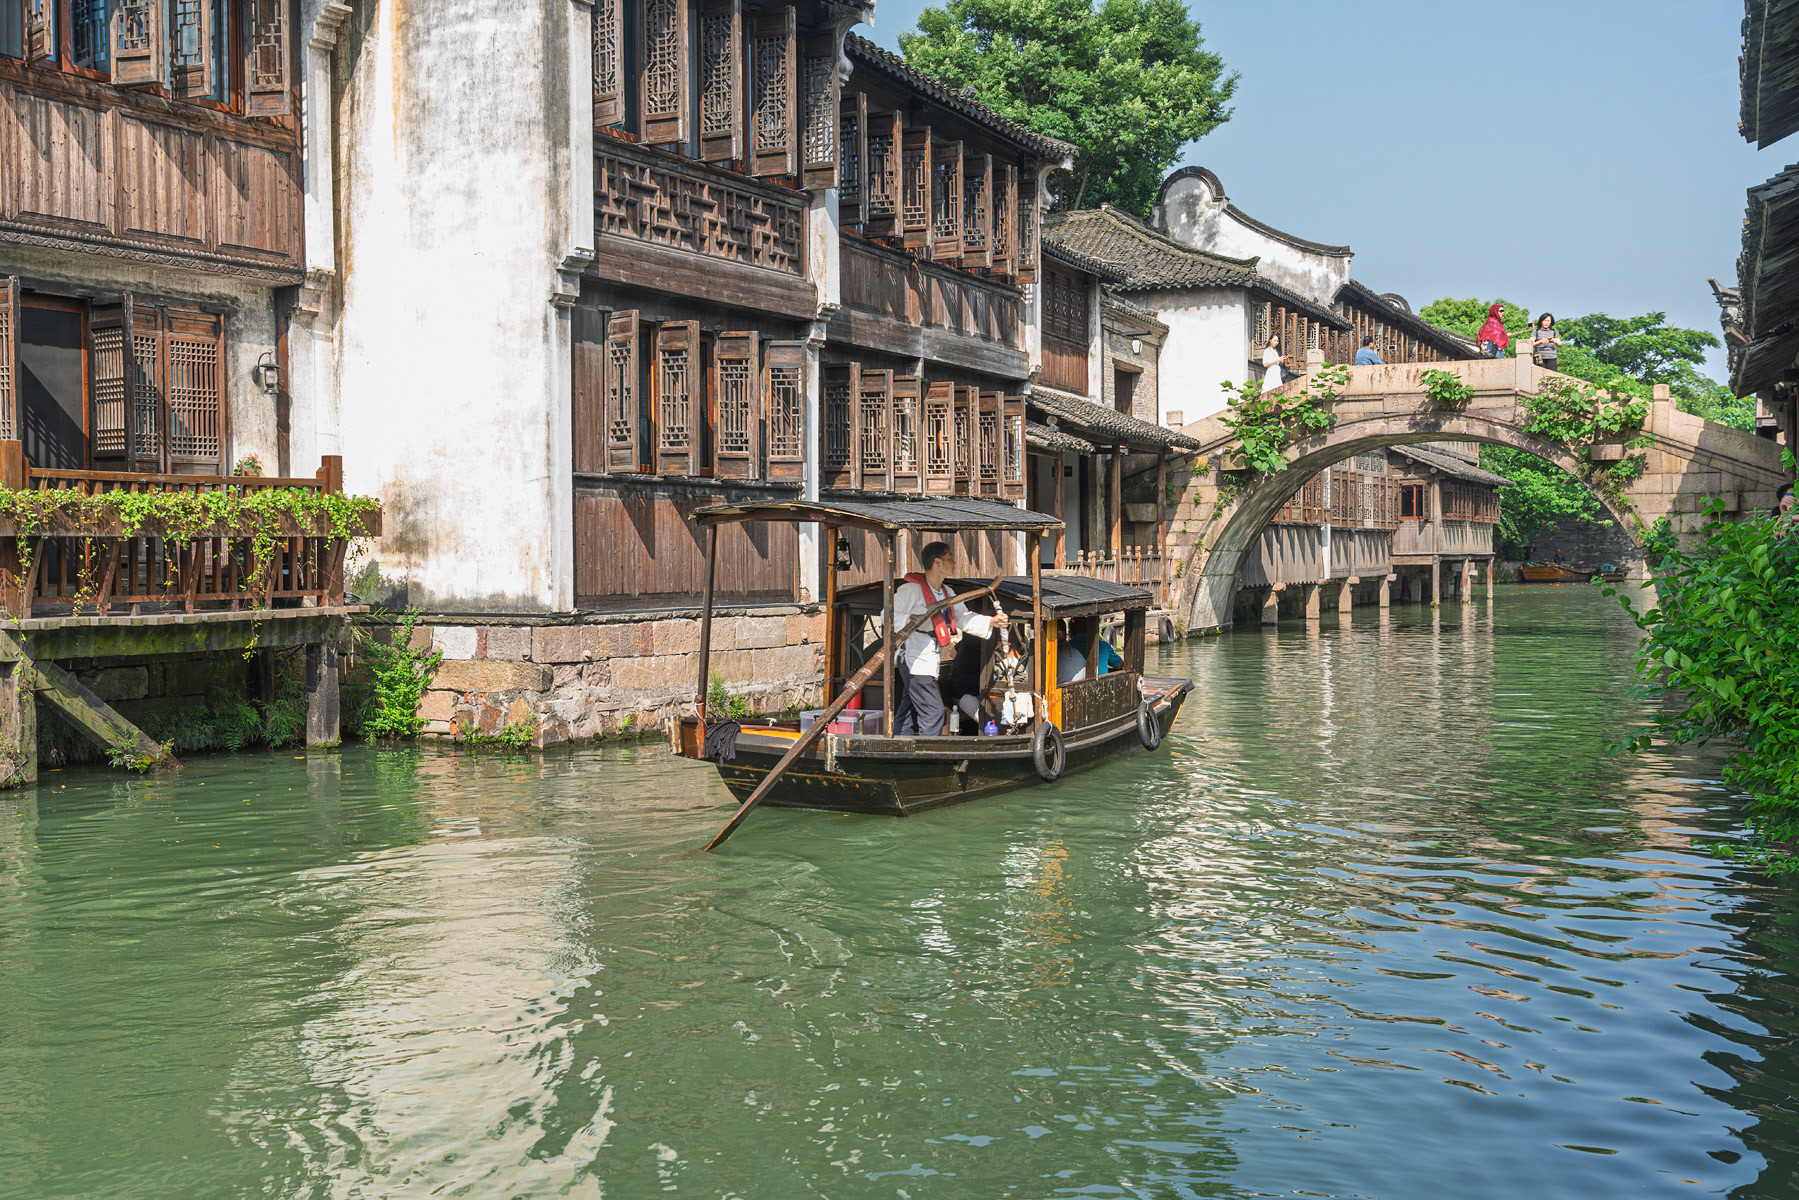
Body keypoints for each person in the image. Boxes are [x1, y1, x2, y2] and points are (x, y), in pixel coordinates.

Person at [893, 541, 1006, 736]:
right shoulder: (910, 591)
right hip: (914, 657)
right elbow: (890, 615)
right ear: (937, 562)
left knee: (909, 706)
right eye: (950, 559)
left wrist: (991, 622)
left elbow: (963, 618)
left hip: (929, 656)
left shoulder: (947, 593)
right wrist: (912, 619)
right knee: (934, 711)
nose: (954, 563)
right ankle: (929, 757)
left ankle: (899, 746)